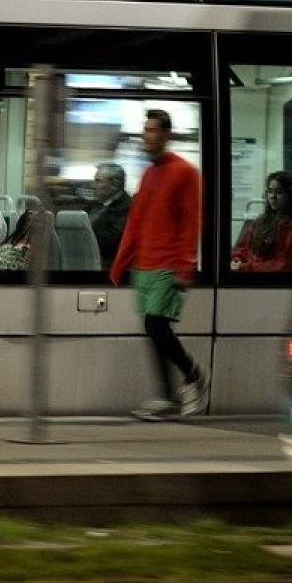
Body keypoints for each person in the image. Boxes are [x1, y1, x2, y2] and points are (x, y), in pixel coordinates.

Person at [109, 109, 206, 421]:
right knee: (154, 331)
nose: (146, 136)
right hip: (144, 266)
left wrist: (185, 267)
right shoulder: (148, 175)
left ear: (166, 135)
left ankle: (193, 376)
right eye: (145, 130)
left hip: (168, 265)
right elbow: (135, 223)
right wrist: (121, 263)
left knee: (155, 326)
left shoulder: (185, 172)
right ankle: (167, 397)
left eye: (152, 130)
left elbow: (191, 222)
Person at [232, 171, 292, 274]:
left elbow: (281, 265)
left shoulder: (291, 226)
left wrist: (245, 268)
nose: (273, 196)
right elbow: (242, 248)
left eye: (279, 192)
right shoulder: (260, 221)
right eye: (270, 191)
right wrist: (236, 260)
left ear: (291, 195)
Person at [85, 161, 132, 266]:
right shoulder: (93, 205)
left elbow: (111, 241)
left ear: (115, 184)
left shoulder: (128, 208)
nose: (93, 186)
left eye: (98, 181)